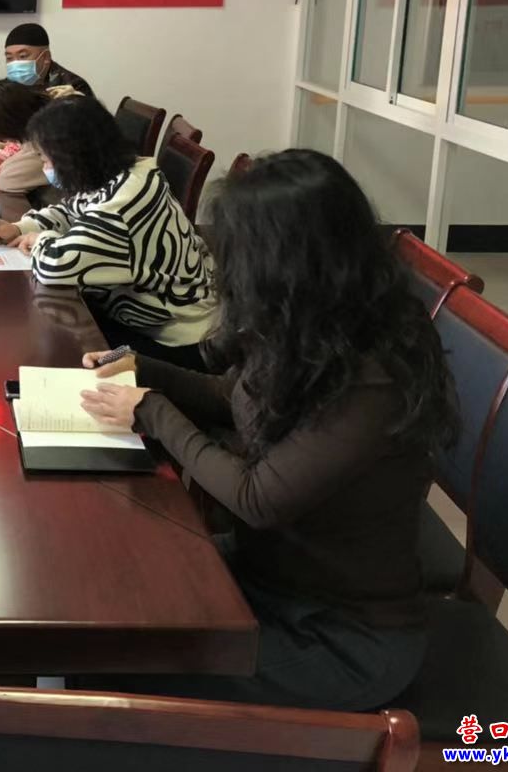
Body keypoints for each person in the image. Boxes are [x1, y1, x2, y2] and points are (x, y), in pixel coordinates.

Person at [75, 149, 456, 712]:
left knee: (104, 668)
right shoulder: (311, 324)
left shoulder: (374, 373)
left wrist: (150, 410)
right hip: (270, 576)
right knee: (103, 597)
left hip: (339, 636)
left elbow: (257, 498)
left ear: (285, 263)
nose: (225, 271)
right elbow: (231, 397)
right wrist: (142, 368)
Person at [0, 95, 217, 368]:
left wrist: (39, 239)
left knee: (61, 350)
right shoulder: (123, 174)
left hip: (175, 340)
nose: (45, 169)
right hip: (144, 315)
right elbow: (70, 211)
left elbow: (55, 265)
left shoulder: (122, 204)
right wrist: (20, 227)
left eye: (45, 160)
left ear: (72, 158)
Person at [0, 23, 92, 143]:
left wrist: (14, 146)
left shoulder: (72, 85)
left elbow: (79, 136)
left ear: (46, 57)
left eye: (23, 56)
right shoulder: (10, 85)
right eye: (9, 58)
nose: (16, 64)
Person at [0, 79, 51, 193]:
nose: (6, 141)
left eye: (4, 138)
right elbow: (18, 146)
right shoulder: (38, 122)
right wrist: (1, 156)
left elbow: (7, 180)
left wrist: (5, 165)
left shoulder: (45, 141)